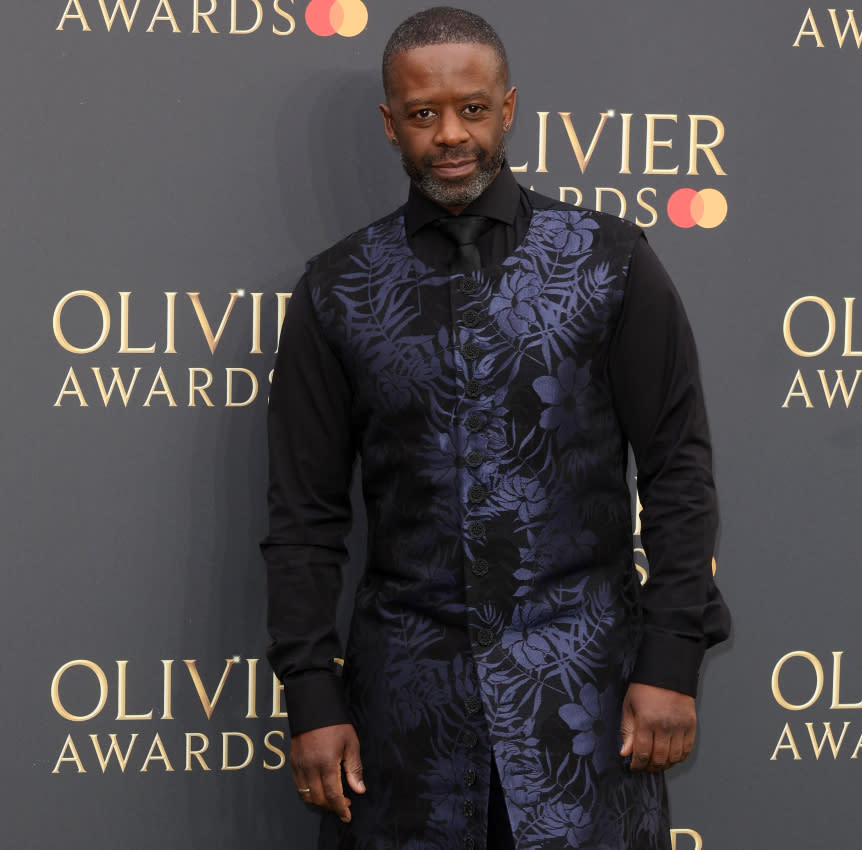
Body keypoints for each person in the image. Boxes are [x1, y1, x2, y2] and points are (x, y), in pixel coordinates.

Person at [262, 7, 730, 849]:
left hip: (587, 702)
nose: (450, 134)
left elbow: (678, 473)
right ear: (390, 123)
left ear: (508, 108)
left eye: (472, 109)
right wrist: (309, 691)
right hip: (406, 714)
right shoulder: (335, 290)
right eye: (423, 113)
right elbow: (304, 514)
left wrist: (671, 661)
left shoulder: (611, 260)